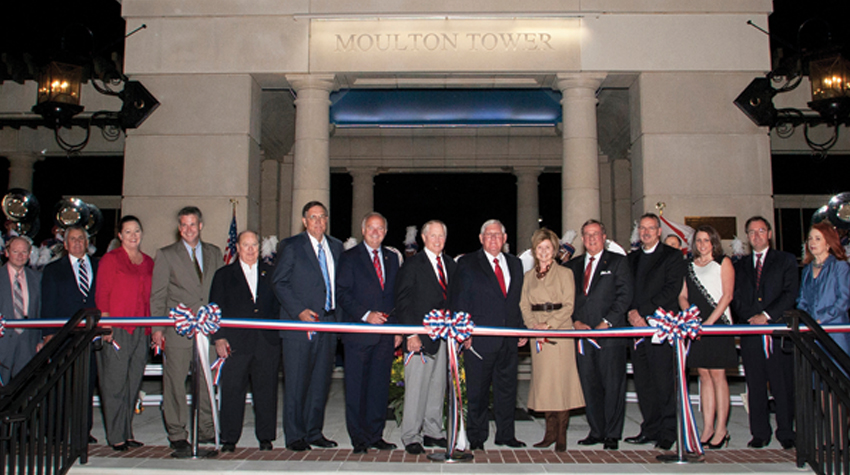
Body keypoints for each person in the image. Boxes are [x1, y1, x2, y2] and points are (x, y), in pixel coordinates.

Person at [150, 206, 223, 455]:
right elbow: (158, 295)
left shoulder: (214, 252)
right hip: (179, 330)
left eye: (192, 224)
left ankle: (205, 429)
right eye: (183, 225)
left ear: (200, 226)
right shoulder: (166, 254)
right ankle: (178, 433)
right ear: (178, 228)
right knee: (175, 383)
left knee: (205, 382)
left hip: (207, 330)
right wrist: (157, 329)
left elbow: (218, 291)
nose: (188, 229)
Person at [272, 201, 343, 452]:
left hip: (329, 324)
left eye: (322, 217)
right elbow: (279, 282)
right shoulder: (291, 246)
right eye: (313, 217)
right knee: (296, 382)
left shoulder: (336, 246)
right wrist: (299, 311)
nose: (318, 222)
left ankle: (314, 431)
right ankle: (295, 436)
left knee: (320, 382)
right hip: (299, 325)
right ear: (304, 221)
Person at [450, 219, 526, 451]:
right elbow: (460, 298)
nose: (493, 239)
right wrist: (464, 331)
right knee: (478, 392)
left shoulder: (515, 264)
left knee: (507, 391)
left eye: (498, 235)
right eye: (488, 235)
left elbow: (515, 301)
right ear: (481, 239)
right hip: (479, 340)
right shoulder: (467, 262)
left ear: (504, 239)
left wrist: (521, 328)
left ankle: (506, 435)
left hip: (509, 340)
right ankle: (477, 437)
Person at [209, 230, 280, 452]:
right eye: (246, 245)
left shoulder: (271, 273)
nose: (250, 250)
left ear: (260, 248)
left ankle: (266, 437)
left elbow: (279, 307)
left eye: (254, 245)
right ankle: (229, 438)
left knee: (266, 391)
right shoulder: (223, 275)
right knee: (232, 391)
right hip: (235, 343)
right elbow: (215, 308)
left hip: (266, 343)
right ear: (237, 248)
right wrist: (219, 337)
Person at [337, 212, 401, 454]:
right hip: (358, 334)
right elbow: (342, 293)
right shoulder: (349, 258)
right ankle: (359, 439)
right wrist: (366, 315)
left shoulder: (392, 258)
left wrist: (396, 329)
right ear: (363, 231)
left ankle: (376, 435)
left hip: (385, 336)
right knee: (356, 388)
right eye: (371, 228)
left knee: (379, 388)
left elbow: (395, 296)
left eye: (380, 228)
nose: (376, 232)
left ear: (385, 232)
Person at [732, 216, 798, 450]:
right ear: (747, 237)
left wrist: (766, 316)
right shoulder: (739, 265)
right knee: (756, 385)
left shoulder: (785, 260)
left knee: (782, 385)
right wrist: (751, 317)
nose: (756, 236)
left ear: (769, 233)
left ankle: (786, 432)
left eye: (761, 231)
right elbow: (735, 296)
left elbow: (790, 293)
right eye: (751, 232)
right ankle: (759, 433)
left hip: (776, 333)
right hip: (751, 332)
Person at [567, 220, 633, 451]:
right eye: (586, 234)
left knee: (613, 385)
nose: (591, 238)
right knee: (589, 383)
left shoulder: (618, 262)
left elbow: (624, 296)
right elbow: (569, 300)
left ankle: (612, 434)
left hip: (609, 335)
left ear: (604, 236)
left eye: (595, 234)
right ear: (582, 239)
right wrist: (575, 321)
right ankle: (596, 430)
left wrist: (607, 323)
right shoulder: (573, 266)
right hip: (582, 335)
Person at [624, 213, 686, 451]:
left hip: (660, 327)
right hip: (636, 329)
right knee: (643, 382)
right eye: (642, 228)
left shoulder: (671, 257)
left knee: (663, 382)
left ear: (659, 231)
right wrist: (631, 312)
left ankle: (668, 432)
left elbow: (671, 289)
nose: (646, 232)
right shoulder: (632, 258)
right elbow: (626, 289)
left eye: (651, 228)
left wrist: (643, 312)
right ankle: (649, 428)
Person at [519, 228, 583, 452]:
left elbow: (569, 305)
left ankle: (562, 434)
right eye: (540, 248)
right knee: (545, 384)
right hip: (538, 335)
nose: (544, 251)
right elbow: (524, 305)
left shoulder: (565, 274)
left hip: (559, 333)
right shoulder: (528, 276)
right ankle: (549, 433)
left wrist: (549, 325)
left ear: (555, 250)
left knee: (561, 384)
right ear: (534, 251)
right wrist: (532, 326)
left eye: (548, 247)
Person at [94, 216, 154, 451]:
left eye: (136, 231)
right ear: (120, 235)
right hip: (118, 328)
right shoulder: (110, 260)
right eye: (128, 232)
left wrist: (152, 330)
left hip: (141, 329)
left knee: (132, 382)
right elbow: (102, 294)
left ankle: (127, 431)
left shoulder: (148, 261)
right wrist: (106, 325)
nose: (133, 236)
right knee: (114, 383)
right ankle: (115, 435)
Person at [394, 220, 453, 455]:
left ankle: (433, 432)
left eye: (442, 236)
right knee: (417, 388)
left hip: (443, 339)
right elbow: (403, 301)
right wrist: (411, 332)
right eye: (433, 236)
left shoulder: (449, 264)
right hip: (418, 338)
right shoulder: (413, 265)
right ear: (424, 238)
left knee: (437, 388)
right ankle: (411, 436)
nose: (438, 240)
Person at [678, 225, 736, 449]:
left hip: (718, 324)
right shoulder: (688, 266)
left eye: (706, 240)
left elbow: (727, 295)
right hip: (696, 325)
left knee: (718, 375)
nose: (702, 244)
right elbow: (682, 295)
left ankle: (722, 428)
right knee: (703, 376)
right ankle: (707, 427)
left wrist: (709, 323)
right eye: (699, 241)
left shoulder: (723, 262)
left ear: (714, 242)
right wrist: (689, 315)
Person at [41, 225, 99, 444]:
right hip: (62, 336)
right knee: (61, 385)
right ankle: (55, 432)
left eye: (81, 239)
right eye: (73, 239)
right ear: (65, 244)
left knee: (86, 384)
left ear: (87, 242)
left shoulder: (98, 265)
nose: (77, 243)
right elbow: (48, 304)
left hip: (89, 337)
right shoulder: (53, 269)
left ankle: (83, 431)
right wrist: (48, 334)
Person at [797, 222, 850, 357]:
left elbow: (844, 299)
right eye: (810, 238)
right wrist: (807, 320)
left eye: (818, 238)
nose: (812, 242)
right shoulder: (807, 270)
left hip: (835, 332)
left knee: (838, 373)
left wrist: (821, 319)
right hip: (812, 333)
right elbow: (802, 300)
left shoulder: (840, 266)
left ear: (828, 243)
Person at [0, 236, 41, 384]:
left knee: (25, 390)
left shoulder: (37, 278)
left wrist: (40, 339)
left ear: (30, 254)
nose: (20, 256)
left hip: (28, 343)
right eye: (16, 251)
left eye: (24, 252)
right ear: (6, 253)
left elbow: (40, 311)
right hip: (2, 342)